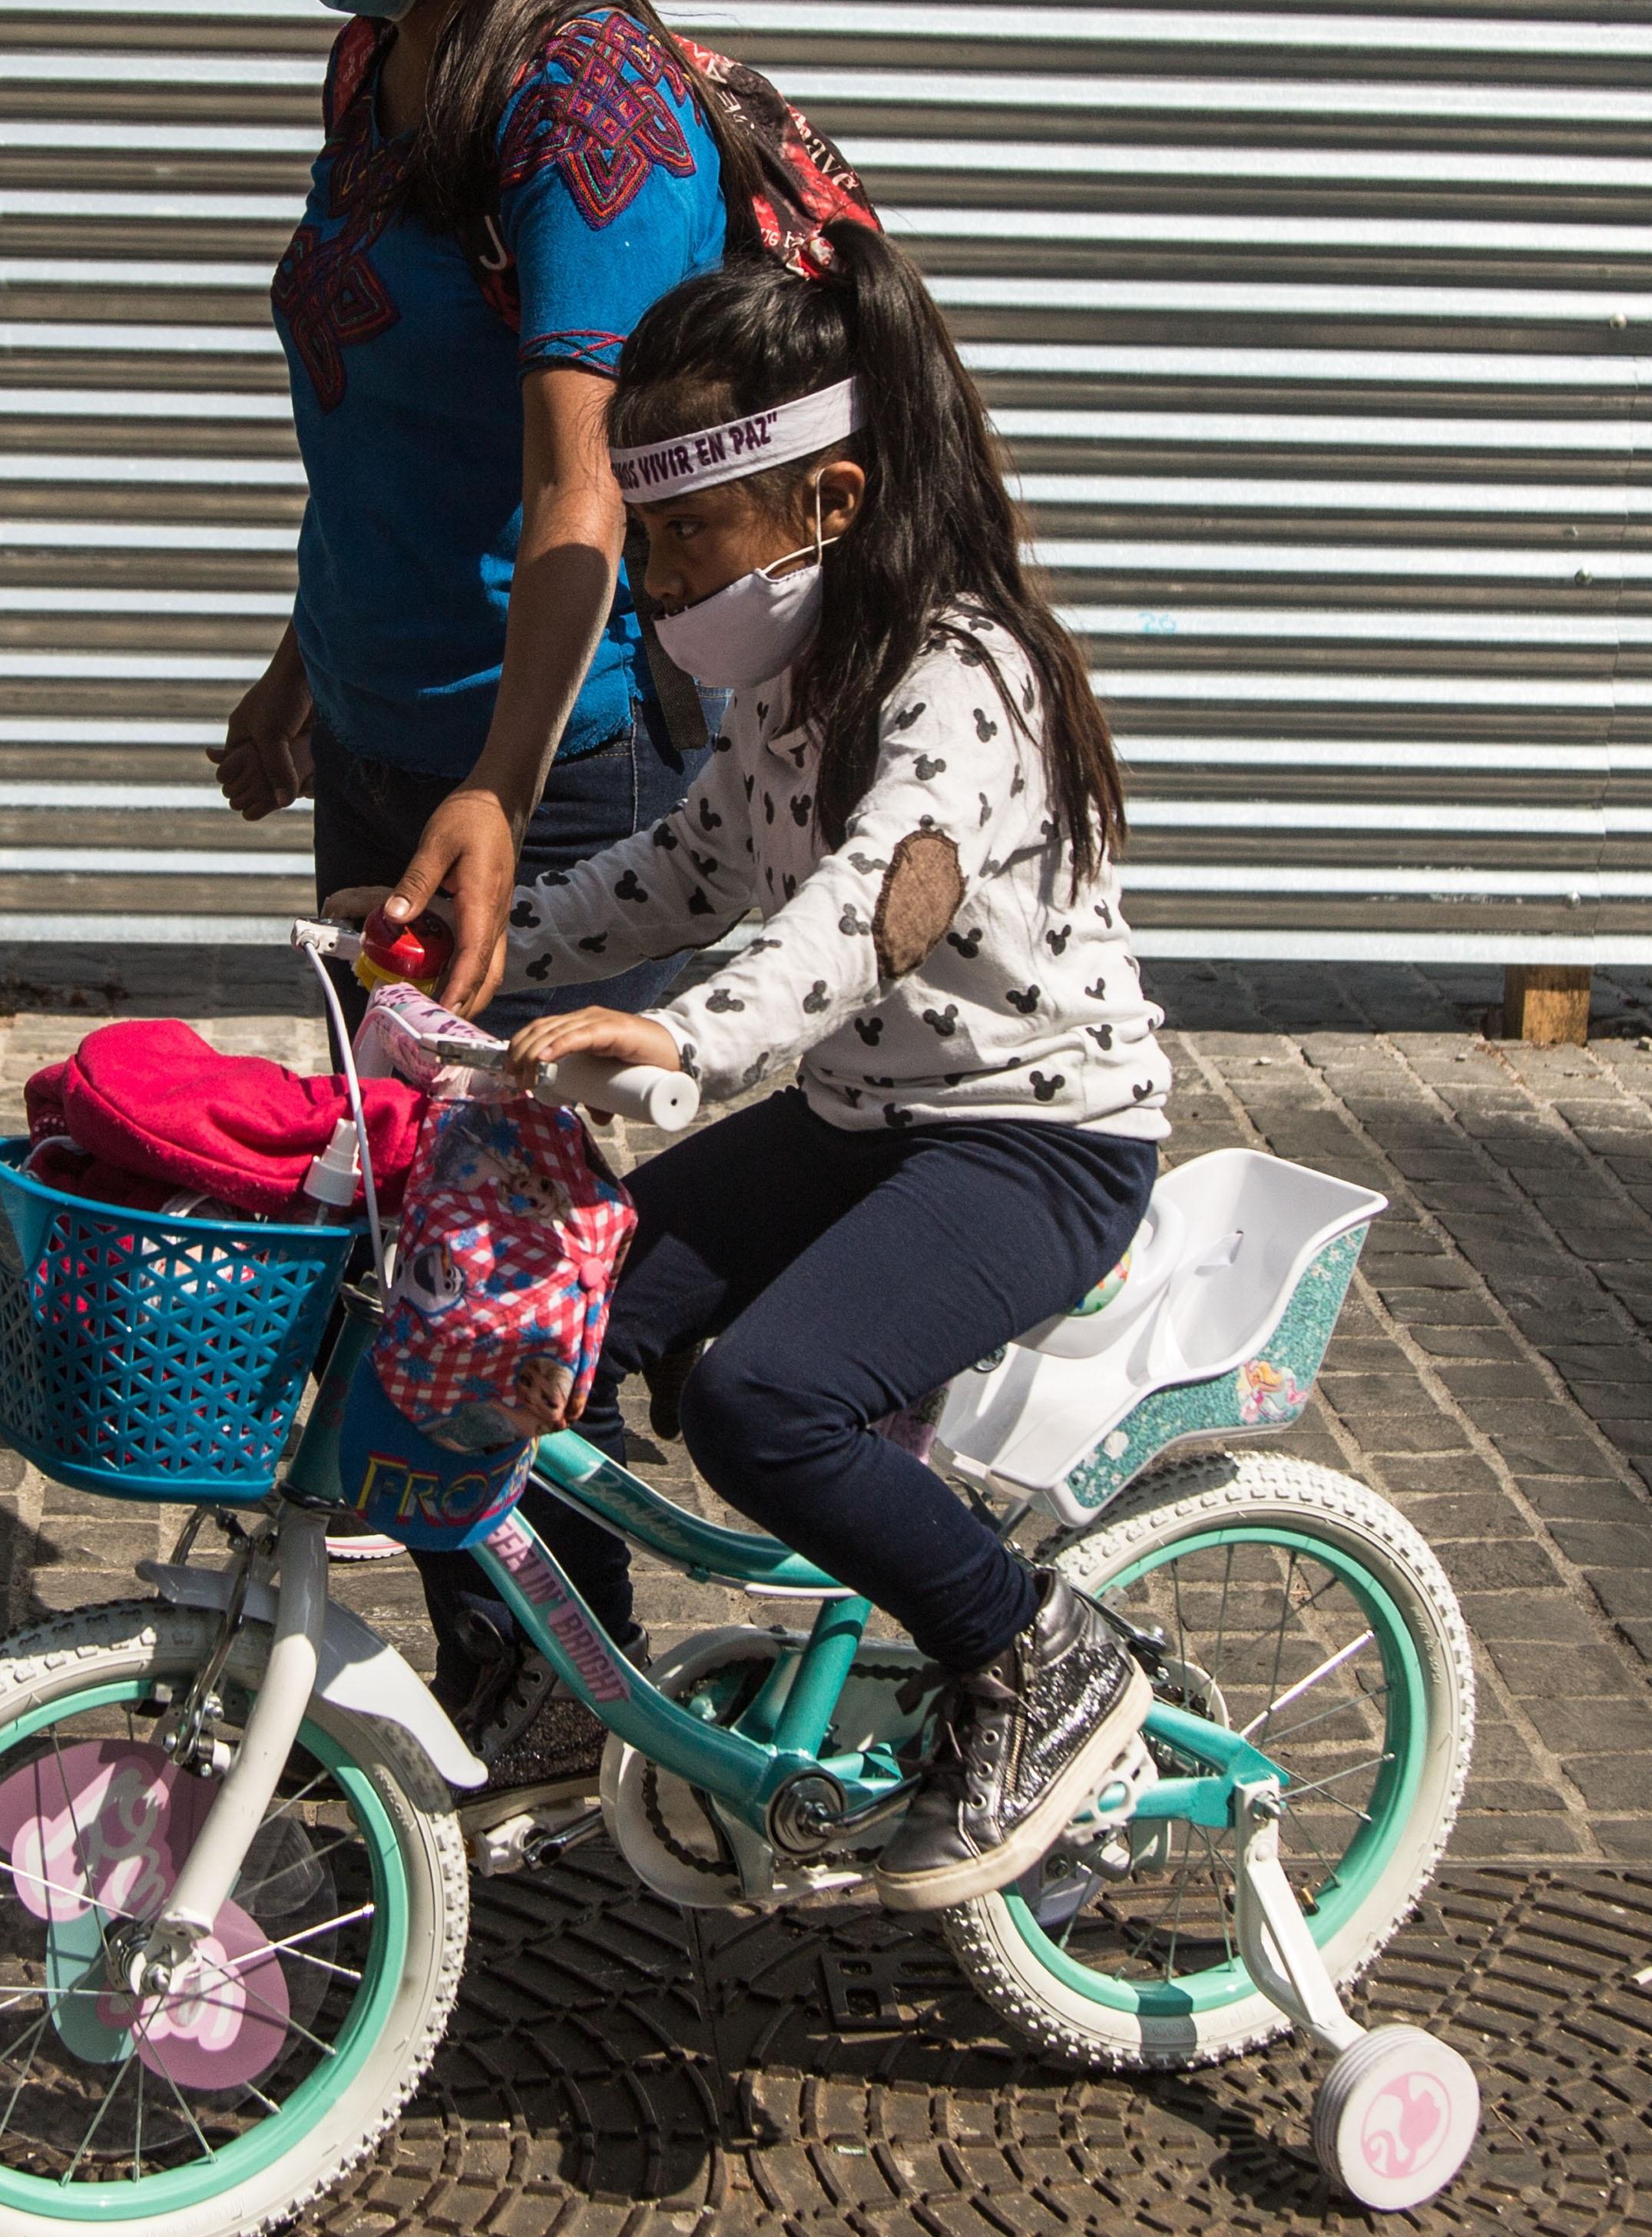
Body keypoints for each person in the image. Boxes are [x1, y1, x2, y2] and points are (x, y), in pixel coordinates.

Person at [459, 223, 1174, 1911]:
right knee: (531, 1313)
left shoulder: (958, 673)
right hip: (864, 1119)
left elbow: (877, 907)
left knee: (759, 1399)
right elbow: (697, 870)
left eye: (687, 533)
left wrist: (686, 1042)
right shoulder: (782, 675)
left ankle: (1043, 1651)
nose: (657, 578)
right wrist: (485, 939)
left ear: (829, 504)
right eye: (648, 537)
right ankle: (572, 1689)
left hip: (1033, 1145)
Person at [222, 0, 766, 1792]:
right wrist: (299, 661)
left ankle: (551, 1680)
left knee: (477, 1245)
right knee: (405, 1212)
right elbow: (371, 409)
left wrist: (490, 788)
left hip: (544, 768)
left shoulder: (593, 112)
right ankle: (517, 1641)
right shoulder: (387, 60)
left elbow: (582, 499)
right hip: (390, 730)